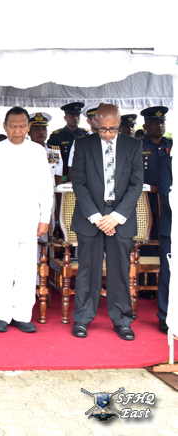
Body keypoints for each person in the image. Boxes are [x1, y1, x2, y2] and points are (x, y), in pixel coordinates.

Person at [70, 104, 143, 341]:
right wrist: (96, 216)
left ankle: (122, 320)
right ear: (95, 124)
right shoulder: (83, 144)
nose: (108, 134)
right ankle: (82, 318)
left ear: (119, 124)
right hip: (90, 216)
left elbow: (136, 184)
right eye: (102, 129)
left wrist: (116, 217)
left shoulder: (133, 145)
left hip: (120, 217)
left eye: (112, 129)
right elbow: (78, 182)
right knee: (87, 269)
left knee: (120, 270)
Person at [0, 107, 54, 333]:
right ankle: (2, 315)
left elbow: (46, 186)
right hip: (1, 219)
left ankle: (22, 314)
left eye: (22, 126)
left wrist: (45, 217)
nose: (18, 130)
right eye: (13, 126)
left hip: (29, 218)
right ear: (4, 126)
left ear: (29, 127)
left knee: (26, 269)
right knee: (2, 268)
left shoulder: (37, 151)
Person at [138, 106, 171, 299]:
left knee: (165, 244)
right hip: (146, 202)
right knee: (146, 242)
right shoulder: (139, 146)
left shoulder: (171, 144)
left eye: (161, 122)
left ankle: (162, 283)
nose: (159, 125)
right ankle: (146, 284)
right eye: (154, 122)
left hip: (168, 204)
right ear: (145, 126)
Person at [47, 102, 88, 179]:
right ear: (65, 118)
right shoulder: (56, 136)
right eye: (72, 115)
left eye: (78, 115)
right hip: (63, 176)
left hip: (83, 175)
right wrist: (58, 178)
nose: (76, 118)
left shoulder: (85, 134)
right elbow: (53, 160)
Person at [156, 138, 172, 334]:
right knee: (168, 273)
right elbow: (167, 196)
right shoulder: (166, 162)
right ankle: (165, 315)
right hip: (172, 226)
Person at [67, 102, 101, 180]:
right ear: (89, 121)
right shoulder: (80, 142)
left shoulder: (112, 140)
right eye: (96, 118)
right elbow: (72, 171)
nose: (100, 121)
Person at [29, 112, 63, 186]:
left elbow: (58, 177)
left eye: (44, 129)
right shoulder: (23, 151)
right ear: (29, 131)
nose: (41, 132)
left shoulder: (54, 152)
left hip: (49, 191)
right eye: (37, 129)